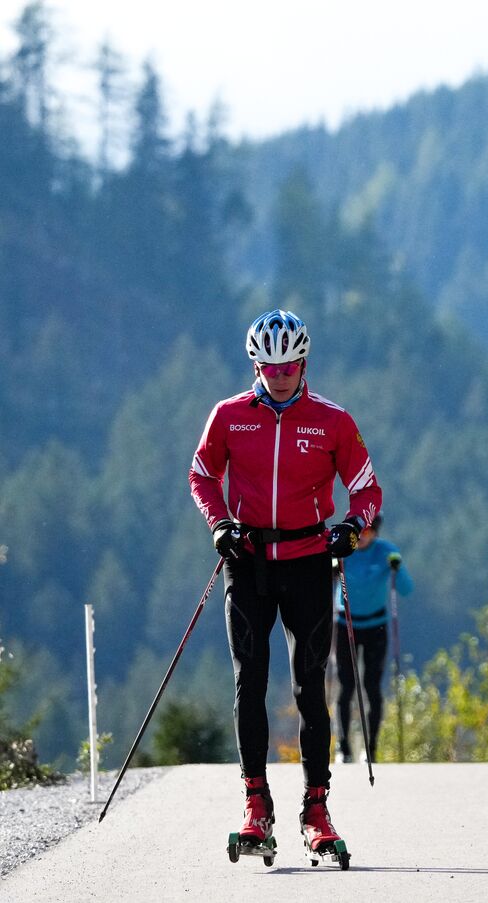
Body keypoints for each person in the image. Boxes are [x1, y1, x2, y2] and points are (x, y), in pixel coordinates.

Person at [190, 309, 381, 864]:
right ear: (255, 363)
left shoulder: (333, 421)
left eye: (289, 364)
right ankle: (256, 806)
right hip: (247, 560)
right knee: (249, 680)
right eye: (268, 365)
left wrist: (351, 525)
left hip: (307, 561)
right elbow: (202, 473)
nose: (279, 374)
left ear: (304, 361)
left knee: (309, 684)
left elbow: (367, 488)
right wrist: (219, 521)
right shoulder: (228, 416)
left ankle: (316, 810)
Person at [334, 514, 413, 764]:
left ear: (376, 533)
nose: (363, 537)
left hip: (375, 626)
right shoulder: (343, 549)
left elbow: (406, 589)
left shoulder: (387, 551)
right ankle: (343, 747)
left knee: (372, 688)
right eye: (361, 532)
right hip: (344, 625)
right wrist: (332, 568)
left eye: (369, 532)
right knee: (345, 687)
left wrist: (396, 569)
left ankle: (371, 748)